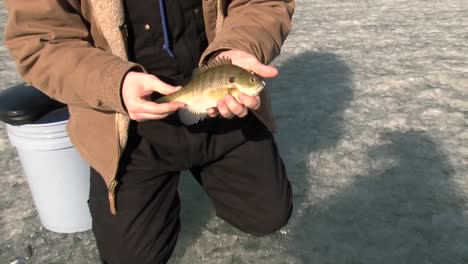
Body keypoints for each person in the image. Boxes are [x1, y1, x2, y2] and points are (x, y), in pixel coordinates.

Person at [4, 0, 295, 262]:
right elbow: (39, 40)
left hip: (222, 114)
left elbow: (263, 3)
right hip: (127, 127)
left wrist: (241, 45)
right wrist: (113, 83)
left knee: (268, 215)